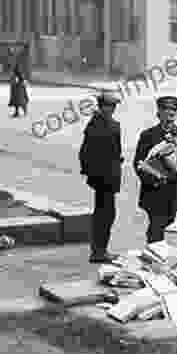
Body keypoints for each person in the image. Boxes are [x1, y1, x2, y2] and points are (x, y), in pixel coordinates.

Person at [133, 96, 177, 243]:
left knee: (173, 233)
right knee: (156, 230)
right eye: (166, 109)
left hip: (176, 191)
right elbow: (138, 164)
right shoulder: (148, 135)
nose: (170, 113)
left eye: (173, 110)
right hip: (155, 192)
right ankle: (153, 260)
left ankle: (168, 261)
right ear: (158, 113)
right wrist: (154, 178)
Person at [78, 91, 123, 263]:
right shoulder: (101, 125)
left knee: (105, 214)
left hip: (106, 176)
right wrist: (91, 171)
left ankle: (99, 249)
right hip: (104, 177)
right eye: (109, 106)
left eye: (113, 107)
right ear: (102, 106)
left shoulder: (100, 124)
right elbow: (85, 152)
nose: (111, 109)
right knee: (105, 215)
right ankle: (99, 251)